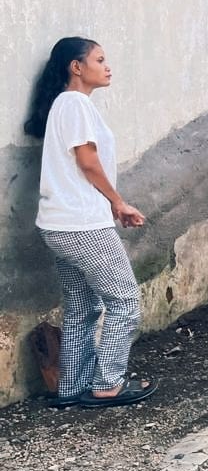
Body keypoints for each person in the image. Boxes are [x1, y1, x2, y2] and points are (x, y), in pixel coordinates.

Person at [24, 37, 156, 409]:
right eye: (99, 59)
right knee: (125, 301)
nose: (107, 66)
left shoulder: (65, 105)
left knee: (82, 308)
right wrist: (117, 202)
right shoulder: (75, 104)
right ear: (76, 67)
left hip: (59, 225)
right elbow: (88, 161)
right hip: (82, 225)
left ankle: (72, 386)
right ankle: (109, 383)